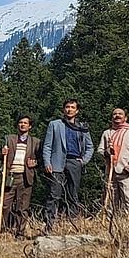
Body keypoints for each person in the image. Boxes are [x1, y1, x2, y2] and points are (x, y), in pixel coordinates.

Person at [41, 98, 94, 232]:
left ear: (77, 111)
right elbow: (47, 146)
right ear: (63, 109)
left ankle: (72, 225)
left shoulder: (82, 127)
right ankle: (49, 226)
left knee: (73, 195)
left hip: (75, 162)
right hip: (57, 163)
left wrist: (83, 161)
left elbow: (90, 147)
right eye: (67, 107)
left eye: (72, 107)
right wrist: (47, 162)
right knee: (54, 195)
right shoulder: (55, 124)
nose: (69, 109)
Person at [0, 115, 41, 238]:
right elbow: (1, 157)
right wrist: (2, 153)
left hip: (25, 177)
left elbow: (41, 159)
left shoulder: (35, 142)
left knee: (22, 207)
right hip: (10, 176)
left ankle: (20, 232)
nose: (22, 125)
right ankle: (1, 229)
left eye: (25, 123)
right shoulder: (9, 139)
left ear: (30, 126)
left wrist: (35, 163)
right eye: (20, 122)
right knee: (5, 204)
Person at [97, 107, 129, 215]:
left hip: (126, 171)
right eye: (114, 114)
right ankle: (110, 224)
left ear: (125, 117)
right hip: (111, 172)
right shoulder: (107, 133)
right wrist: (106, 152)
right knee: (110, 200)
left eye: (120, 114)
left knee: (128, 198)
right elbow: (100, 150)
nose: (117, 115)